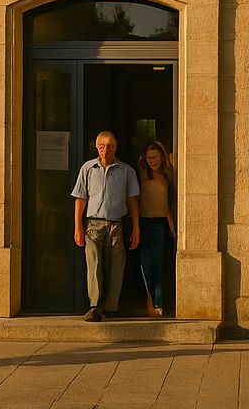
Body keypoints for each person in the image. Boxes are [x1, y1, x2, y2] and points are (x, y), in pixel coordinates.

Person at [71, 130, 140, 321]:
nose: (105, 150)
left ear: (115, 148)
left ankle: (110, 307)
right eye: (101, 146)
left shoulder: (127, 171)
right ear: (96, 147)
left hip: (117, 225)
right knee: (94, 265)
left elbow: (133, 201)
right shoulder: (87, 168)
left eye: (109, 146)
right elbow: (80, 199)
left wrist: (136, 227)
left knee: (116, 266)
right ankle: (94, 306)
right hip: (92, 225)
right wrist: (77, 226)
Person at [137, 140, 177, 318]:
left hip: (161, 224)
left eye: (155, 156)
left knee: (160, 265)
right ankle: (149, 302)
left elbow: (169, 205)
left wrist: (173, 229)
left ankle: (159, 304)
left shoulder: (168, 175)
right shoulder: (141, 175)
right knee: (146, 265)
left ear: (162, 156)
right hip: (145, 223)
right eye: (149, 157)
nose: (152, 160)